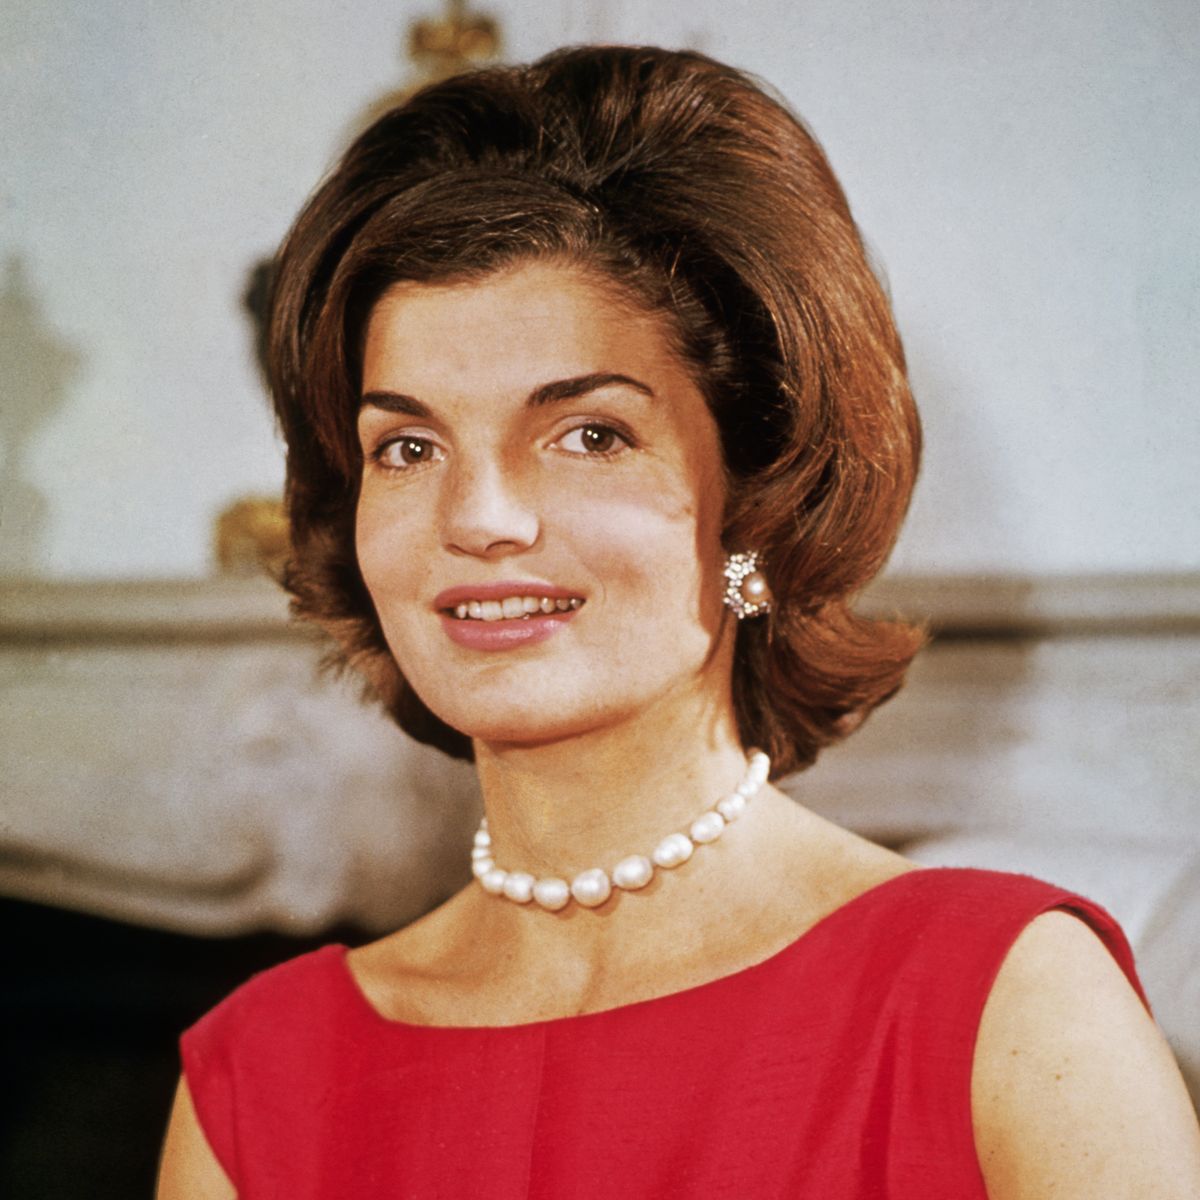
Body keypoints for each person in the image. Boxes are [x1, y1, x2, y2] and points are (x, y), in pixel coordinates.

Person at [156, 45, 1200, 1198]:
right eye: (407, 447)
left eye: (588, 435)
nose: (479, 517)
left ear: (754, 499)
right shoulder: (258, 1082)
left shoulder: (1009, 1003)